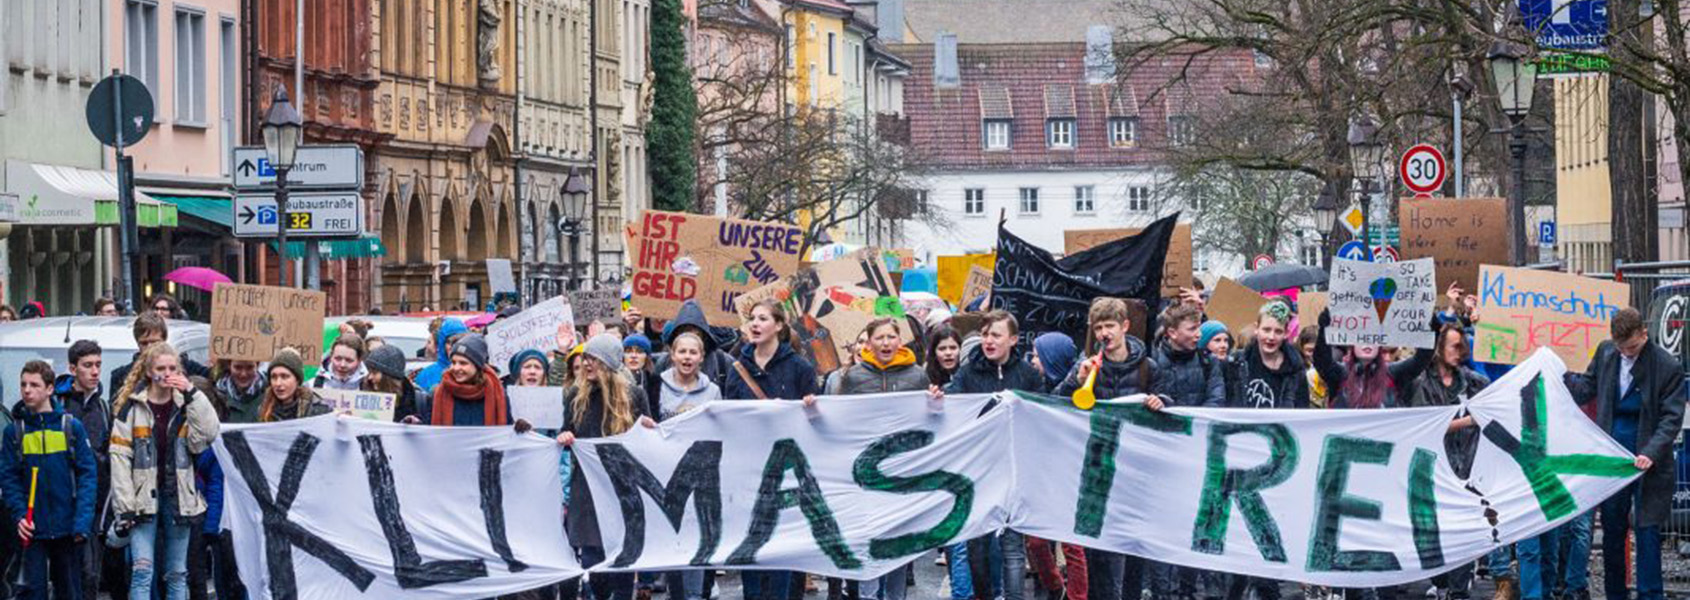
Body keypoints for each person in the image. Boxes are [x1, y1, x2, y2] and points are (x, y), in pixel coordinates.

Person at [1054, 299, 1159, 600]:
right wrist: (1076, 382)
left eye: (1109, 326)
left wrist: (1159, 400)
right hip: (1098, 471)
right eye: (1098, 327)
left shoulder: (1146, 367)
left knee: (1134, 550)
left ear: (1124, 326)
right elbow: (1057, 402)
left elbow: (1170, 399)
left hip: (1135, 472)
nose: (1103, 333)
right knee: (1100, 555)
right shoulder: (1085, 366)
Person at [719, 300, 816, 600]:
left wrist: (811, 408)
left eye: (763, 318)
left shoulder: (799, 367)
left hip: (786, 465)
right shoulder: (737, 368)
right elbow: (728, 416)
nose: (755, 324)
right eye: (752, 319)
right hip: (748, 466)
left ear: (779, 326)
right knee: (750, 540)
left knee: (781, 541)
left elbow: (814, 422)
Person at [109, 342, 222, 600]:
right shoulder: (132, 407)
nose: (167, 373)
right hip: (141, 500)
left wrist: (192, 391)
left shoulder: (185, 404)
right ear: (149, 371)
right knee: (142, 570)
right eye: (161, 368)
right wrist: (125, 505)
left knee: (176, 573)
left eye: (173, 368)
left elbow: (209, 432)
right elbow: (119, 457)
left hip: (178, 497)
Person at [1589, 307, 1684, 600]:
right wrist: (1558, 378)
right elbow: (1588, 386)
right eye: (1621, 348)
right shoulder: (1607, 352)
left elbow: (1671, 418)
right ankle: (1615, 593)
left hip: (1649, 461)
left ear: (1644, 334)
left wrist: (1651, 452)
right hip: (1612, 455)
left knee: (1647, 530)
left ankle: (1650, 594)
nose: (1626, 354)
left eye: (1631, 347)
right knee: (1613, 528)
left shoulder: (1667, 366)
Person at [555, 333, 650, 600]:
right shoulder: (575, 395)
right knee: (593, 558)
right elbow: (566, 430)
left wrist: (649, 430)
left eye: (593, 359)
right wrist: (564, 437)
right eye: (585, 358)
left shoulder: (634, 395)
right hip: (586, 488)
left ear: (608, 362)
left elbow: (647, 435)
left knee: (621, 556)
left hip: (622, 487)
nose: (586, 364)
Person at [1, 361, 97, 600]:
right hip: (33, 530)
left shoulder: (70, 427)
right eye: (23, 384)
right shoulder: (15, 431)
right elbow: (9, 477)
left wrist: (81, 522)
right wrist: (20, 516)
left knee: (70, 591)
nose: (27, 390)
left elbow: (87, 475)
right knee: (33, 592)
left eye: (34, 385)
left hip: (67, 528)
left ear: (50, 389)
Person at [1406, 323, 1488, 600]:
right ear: (1438, 348)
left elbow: (1493, 402)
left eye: (1462, 345)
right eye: (1454, 346)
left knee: (1461, 531)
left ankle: (1457, 590)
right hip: (1432, 469)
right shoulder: (1421, 383)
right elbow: (1424, 425)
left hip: (1465, 467)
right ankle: (1440, 581)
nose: (1460, 351)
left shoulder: (1472, 381)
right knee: (1431, 531)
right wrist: (1467, 420)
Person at [52, 340, 108, 596]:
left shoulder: (104, 407)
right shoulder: (58, 406)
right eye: (88, 366)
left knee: (90, 574)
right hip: (61, 501)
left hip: (94, 505)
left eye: (98, 364)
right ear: (73, 369)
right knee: (64, 576)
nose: (95, 371)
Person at [109, 313, 211, 397]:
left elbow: (216, 379)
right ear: (137, 343)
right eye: (144, 343)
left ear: (164, 340)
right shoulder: (121, 376)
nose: (150, 348)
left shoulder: (185, 366)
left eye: (154, 343)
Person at [430, 334, 512, 427]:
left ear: (477, 366)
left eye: (463, 363)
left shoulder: (498, 394)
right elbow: (427, 430)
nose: (456, 368)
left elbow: (508, 429)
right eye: (453, 362)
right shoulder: (438, 393)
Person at [649, 331, 720, 421]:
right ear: (673, 355)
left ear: (701, 357)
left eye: (693, 352)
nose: (687, 356)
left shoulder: (713, 391)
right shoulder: (656, 387)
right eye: (682, 352)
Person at [258, 348, 332, 422]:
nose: (278, 383)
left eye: (284, 377)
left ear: (297, 380)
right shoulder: (263, 409)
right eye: (274, 377)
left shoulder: (318, 410)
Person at [364, 344, 424, 423]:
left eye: (374, 373)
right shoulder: (362, 393)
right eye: (369, 372)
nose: (370, 377)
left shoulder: (418, 401)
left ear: (389, 377)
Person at [412, 318, 469, 395]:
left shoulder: (474, 372)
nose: (455, 347)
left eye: (459, 342)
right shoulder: (426, 375)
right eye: (450, 342)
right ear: (442, 344)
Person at [214, 360, 266, 424]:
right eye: (238, 367)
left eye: (250, 367)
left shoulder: (271, 394)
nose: (243, 374)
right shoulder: (216, 396)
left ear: (257, 366)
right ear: (229, 366)